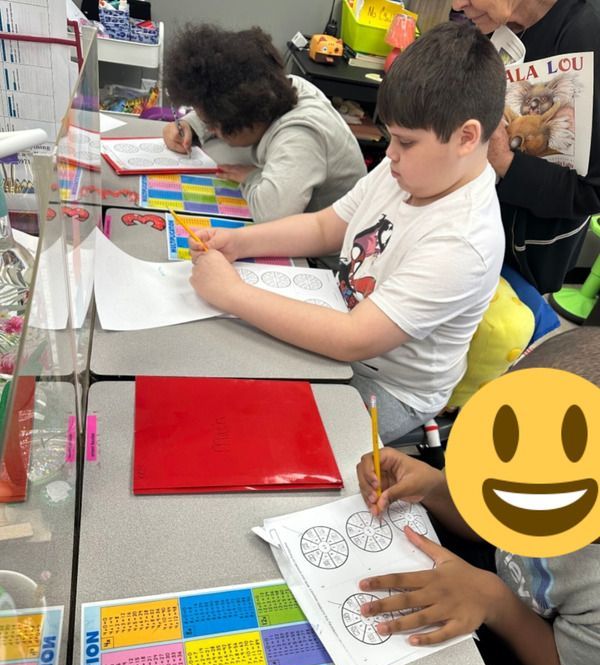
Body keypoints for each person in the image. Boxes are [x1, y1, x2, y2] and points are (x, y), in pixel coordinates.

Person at [189, 22, 507, 443]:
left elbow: (352, 340)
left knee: (260, 435)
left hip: (388, 386)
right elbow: (326, 226)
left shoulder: (464, 241)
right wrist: (239, 243)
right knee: (222, 364)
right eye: (391, 138)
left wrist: (230, 292)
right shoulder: (408, 174)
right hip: (340, 322)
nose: (389, 154)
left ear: (466, 137)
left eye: (406, 143)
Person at [355, 326, 600, 665]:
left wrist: (493, 602)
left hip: (557, 661)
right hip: (495, 586)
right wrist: (433, 488)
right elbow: (489, 524)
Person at [452, 0, 600, 293]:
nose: (458, 4)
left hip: (522, 260)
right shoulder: (486, 20)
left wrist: (505, 160)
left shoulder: (586, 35)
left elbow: (593, 191)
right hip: (466, 231)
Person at [161, 24, 366, 223]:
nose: (210, 129)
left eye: (212, 124)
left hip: (327, 253)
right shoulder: (275, 88)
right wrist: (189, 125)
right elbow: (221, 97)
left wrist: (253, 177)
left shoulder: (300, 136)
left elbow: (271, 215)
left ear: (243, 118)